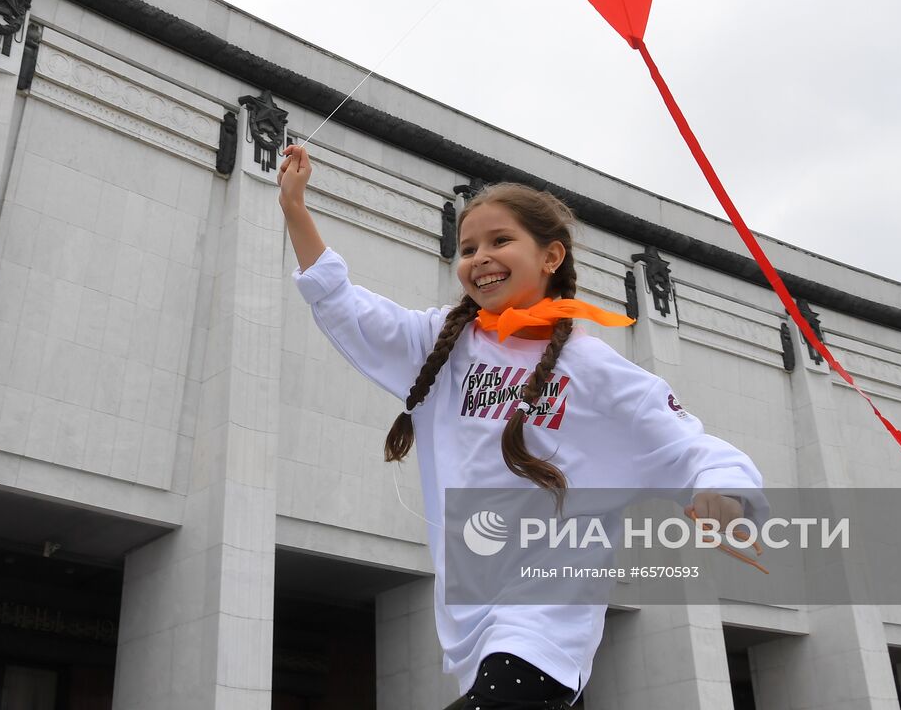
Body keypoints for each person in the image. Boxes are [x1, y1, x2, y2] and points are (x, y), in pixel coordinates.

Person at [277, 144, 765, 709]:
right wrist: (295, 208)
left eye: (499, 241)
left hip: (546, 617)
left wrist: (724, 496)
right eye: (467, 248)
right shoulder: (443, 344)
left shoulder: (592, 366)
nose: (479, 257)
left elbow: (687, 443)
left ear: (551, 256)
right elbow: (346, 306)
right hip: (470, 617)